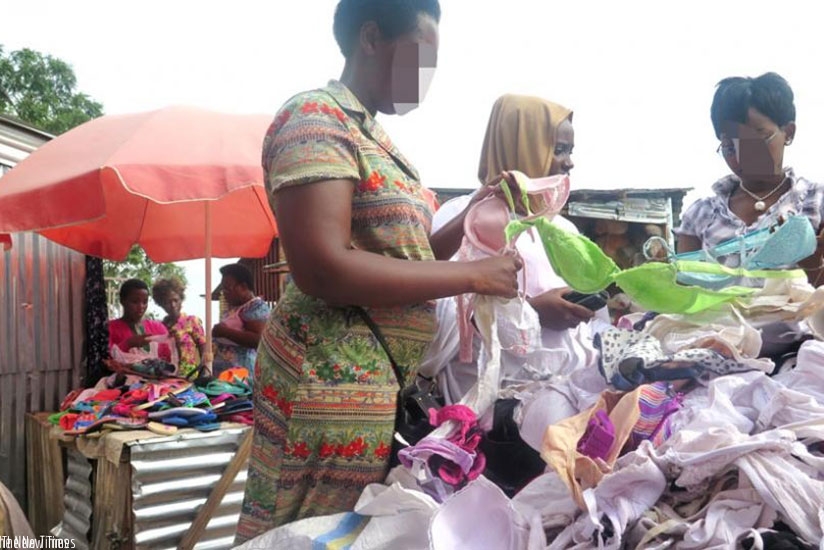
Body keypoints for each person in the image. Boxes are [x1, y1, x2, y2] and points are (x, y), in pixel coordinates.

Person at [235, 0, 521, 541]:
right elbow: (323, 267)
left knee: (344, 532)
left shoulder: (378, 140)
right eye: (421, 58)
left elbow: (406, 266)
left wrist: (472, 212)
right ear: (370, 38)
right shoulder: (316, 118)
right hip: (325, 379)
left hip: (371, 385)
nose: (427, 79)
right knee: (302, 531)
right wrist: (475, 276)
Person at [424, 94, 609, 402]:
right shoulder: (465, 220)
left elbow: (598, 324)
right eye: (559, 149)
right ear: (523, 146)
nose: (569, 161)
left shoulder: (562, 229)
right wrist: (533, 313)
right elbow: (440, 316)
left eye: (570, 150)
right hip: (493, 408)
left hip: (567, 402)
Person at [675, 72, 824, 358]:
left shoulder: (816, 201)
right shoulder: (701, 214)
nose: (742, 157)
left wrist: (814, 266)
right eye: (730, 146)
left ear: (788, 132)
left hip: (800, 354)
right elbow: (686, 296)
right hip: (714, 352)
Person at [212, 263, 270, 375]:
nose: (224, 293)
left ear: (243, 287)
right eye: (223, 289)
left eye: (227, 289)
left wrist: (224, 332)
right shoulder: (236, 307)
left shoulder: (255, 307)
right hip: (225, 377)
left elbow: (258, 339)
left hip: (241, 377)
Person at [151, 277, 207, 377]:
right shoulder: (160, 327)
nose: (173, 305)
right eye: (167, 302)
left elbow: (204, 348)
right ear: (161, 304)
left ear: (181, 299)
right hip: (166, 377)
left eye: (176, 300)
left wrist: (203, 372)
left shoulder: (192, 321)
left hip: (190, 376)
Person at [108, 278, 171, 362]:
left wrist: (176, 344)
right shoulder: (109, 328)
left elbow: (168, 358)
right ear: (122, 301)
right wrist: (128, 344)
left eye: (145, 302)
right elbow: (106, 360)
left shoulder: (158, 328)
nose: (141, 307)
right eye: (135, 302)